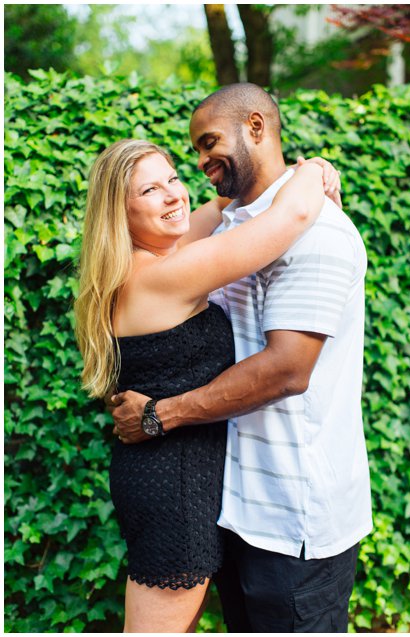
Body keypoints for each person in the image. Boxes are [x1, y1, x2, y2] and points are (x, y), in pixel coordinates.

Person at [109, 83, 372, 633]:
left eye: (206, 145)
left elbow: (287, 370)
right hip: (232, 510)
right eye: (151, 189)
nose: (198, 164)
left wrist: (162, 414)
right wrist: (309, 172)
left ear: (256, 127)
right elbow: (277, 215)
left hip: (292, 521)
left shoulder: (313, 233)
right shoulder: (199, 251)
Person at [74, 137, 336, 631]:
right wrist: (313, 168)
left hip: (170, 474)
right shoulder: (162, 275)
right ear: (119, 212)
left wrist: (268, 182)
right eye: (149, 190)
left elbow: (221, 204)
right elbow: (288, 220)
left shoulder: (147, 260)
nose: (174, 195)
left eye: (173, 178)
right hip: (176, 488)